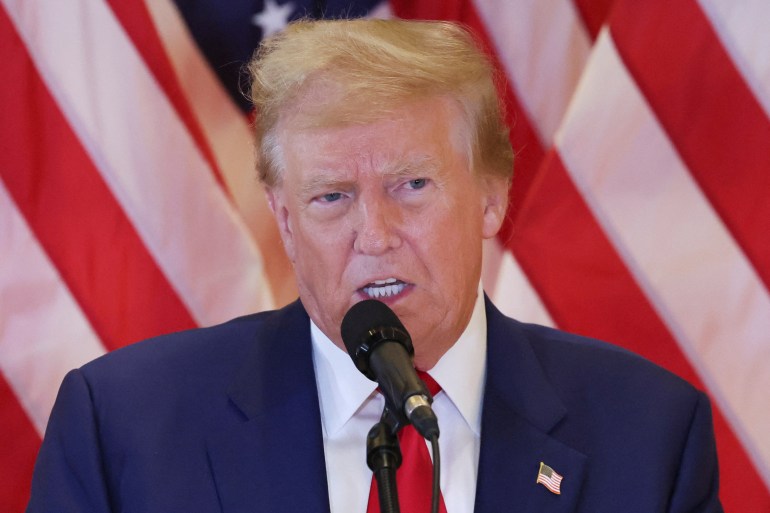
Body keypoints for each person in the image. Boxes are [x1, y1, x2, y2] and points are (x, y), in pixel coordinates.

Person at [26, 18, 722, 513]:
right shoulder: (125, 427)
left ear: (491, 196)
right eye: (332, 196)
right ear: (286, 221)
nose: (375, 236)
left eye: (411, 185)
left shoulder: (647, 432)